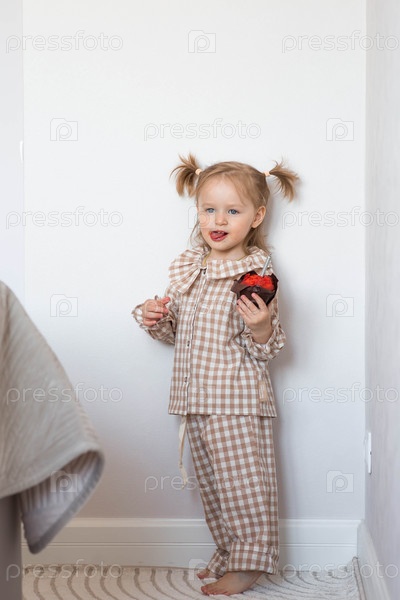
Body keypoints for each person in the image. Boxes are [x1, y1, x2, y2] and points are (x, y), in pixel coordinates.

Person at [132, 153, 299, 596]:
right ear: (198, 211)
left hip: (236, 401)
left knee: (244, 485)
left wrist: (261, 327)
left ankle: (250, 563)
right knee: (214, 485)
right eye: (209, 209)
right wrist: (154, 316)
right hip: (195, 399)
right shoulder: (191, 268)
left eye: (232, 211)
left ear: (256, 216)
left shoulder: (256, 274)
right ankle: (228, 551)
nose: (218, 220)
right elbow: (176, 334)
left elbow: (268, 347)